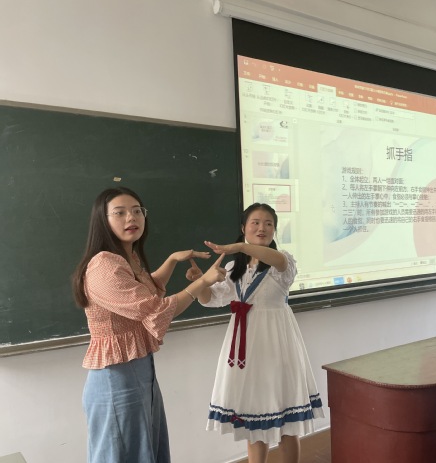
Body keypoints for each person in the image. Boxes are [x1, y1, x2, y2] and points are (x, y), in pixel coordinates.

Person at [71, 187, 226, 463]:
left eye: (137, 211)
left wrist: (172, 260)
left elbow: (146, 290)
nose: (131, 217)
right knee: (122, 455)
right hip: (116, 378)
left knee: (147, 450)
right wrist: (203, 282)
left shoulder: (125, 258)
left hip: (140, 372)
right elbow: (155, 309)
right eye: (120, 213)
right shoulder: (104, 265)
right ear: (103, 220)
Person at [193, 203, 324, 463]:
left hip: (278, 345)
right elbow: (210, 299)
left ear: (274, 230)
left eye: (268, 223)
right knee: (254, 422)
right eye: (255, 222)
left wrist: (241, 246)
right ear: (244, 227)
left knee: (288, 426)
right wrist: (200, 282)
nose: (261, 228)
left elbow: (278, 261)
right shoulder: (234, 267)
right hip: (245, 347)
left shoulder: (281, 261)